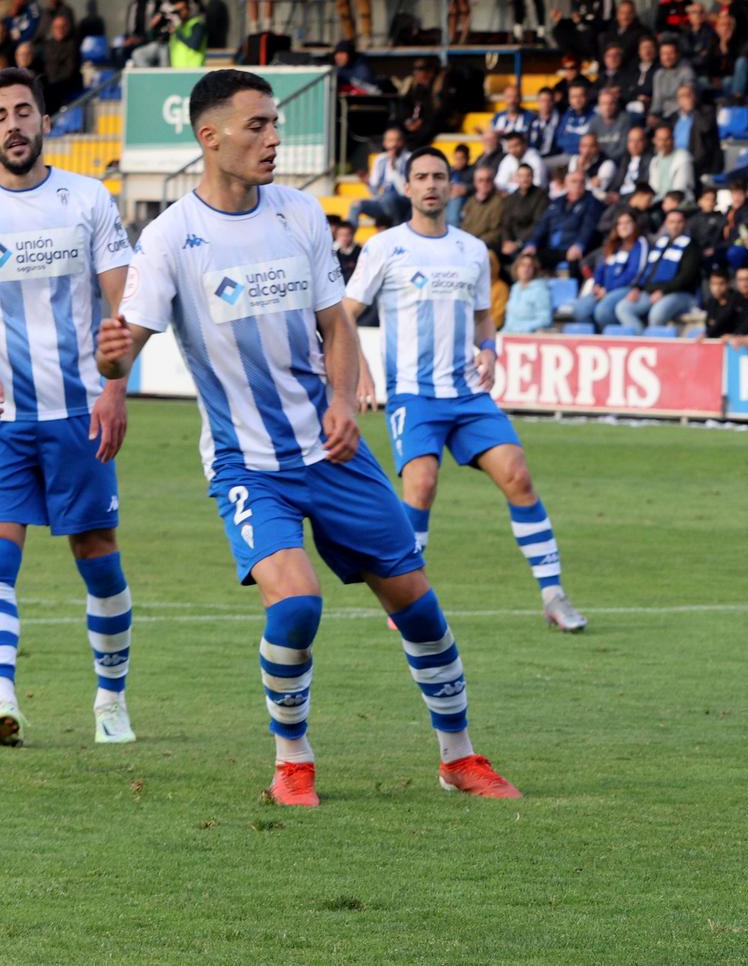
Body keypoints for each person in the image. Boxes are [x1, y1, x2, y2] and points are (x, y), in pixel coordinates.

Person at [98, 71, 522, 807]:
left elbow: (336, 322)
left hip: (332, 448)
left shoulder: (298, 213)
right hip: (248, 461)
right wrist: (110, 360)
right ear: (210, 137)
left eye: (274, 124)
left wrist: (341, 400)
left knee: (417, 603)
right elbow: (123, 346)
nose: (274, 138)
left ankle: (459, 756)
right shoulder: (170, 238)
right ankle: (292, 759)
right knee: (296, 606)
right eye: (257, 125)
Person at [344, 147, 588, 632]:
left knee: (518, 476)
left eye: (439, 176)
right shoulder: (385, 246)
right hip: (413, 394)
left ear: (452, 185)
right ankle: (406, 595)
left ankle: (554, 595)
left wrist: (490, 350)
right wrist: (360, 370)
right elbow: (345, 314)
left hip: (468, 392)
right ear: (408, 187)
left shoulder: (472, 250)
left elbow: (482, 316)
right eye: (421, 177)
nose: (431, 184)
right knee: (421, 483)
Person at [0, 68, 133, 747]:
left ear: (46, 122)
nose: (12, 124)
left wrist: (115, 386)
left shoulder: (87, 198)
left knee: (97, 554)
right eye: (1, 115)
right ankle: (0, 694)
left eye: (24, 111)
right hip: (5, 420)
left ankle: (111, 698)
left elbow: (123, 303)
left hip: (80, 410)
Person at [504, 254, 555, 333]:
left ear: (534, 270)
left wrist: (522, 328)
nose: (525, 269)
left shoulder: (541, 291)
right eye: (522, 265)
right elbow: (510, 318)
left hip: (530, 336)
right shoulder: (515, 288)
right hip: (509, 335)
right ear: (516, 268)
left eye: (530, 266)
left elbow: (545, 320)